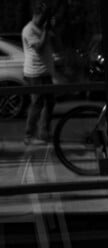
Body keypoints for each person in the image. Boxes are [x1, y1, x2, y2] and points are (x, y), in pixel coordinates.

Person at [21, 2, 56, 145]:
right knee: (37, 103)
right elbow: (39, 48)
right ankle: (29, 135)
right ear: (37, 15)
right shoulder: (29, 30)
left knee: (50, 103)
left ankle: (44, 132)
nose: (45, 20)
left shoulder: (43, 28)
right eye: (44, 17)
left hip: (45, 72)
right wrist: (47, 31)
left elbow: (54, 44)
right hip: (35, 74)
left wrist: (51, 29)